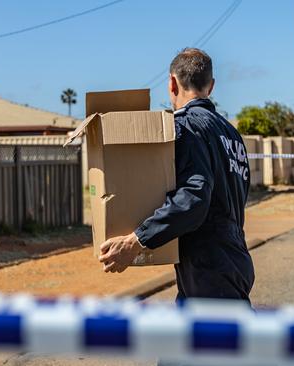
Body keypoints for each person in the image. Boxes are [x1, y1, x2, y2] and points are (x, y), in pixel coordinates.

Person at [97, 48, 255, 301]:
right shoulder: (230, 133)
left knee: (215, 338)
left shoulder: (185, 126)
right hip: (233, 258)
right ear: (211, 86)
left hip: (207, 268)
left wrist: (134, 242)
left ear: (172, 82)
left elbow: (193, 198)